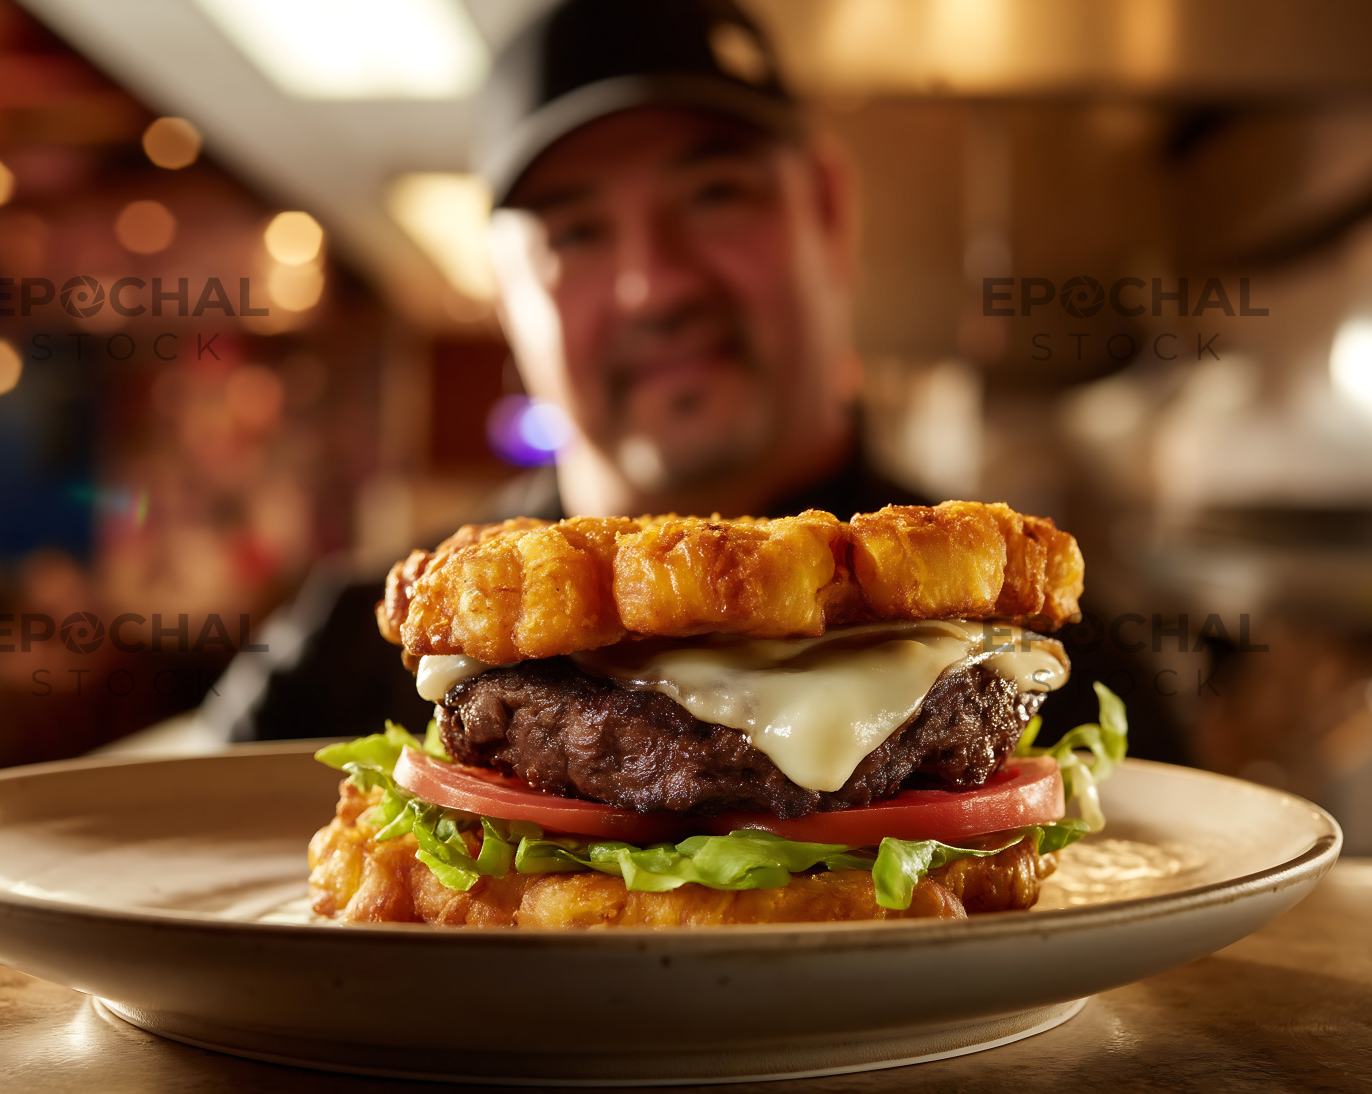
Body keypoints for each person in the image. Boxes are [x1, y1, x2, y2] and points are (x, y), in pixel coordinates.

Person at [200, 0, 1177, 755]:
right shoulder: (332, 662)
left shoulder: (1068, 671)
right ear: (504, 296)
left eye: (715, 195)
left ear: (828, 215)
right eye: (574, 232)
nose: (652, 284)